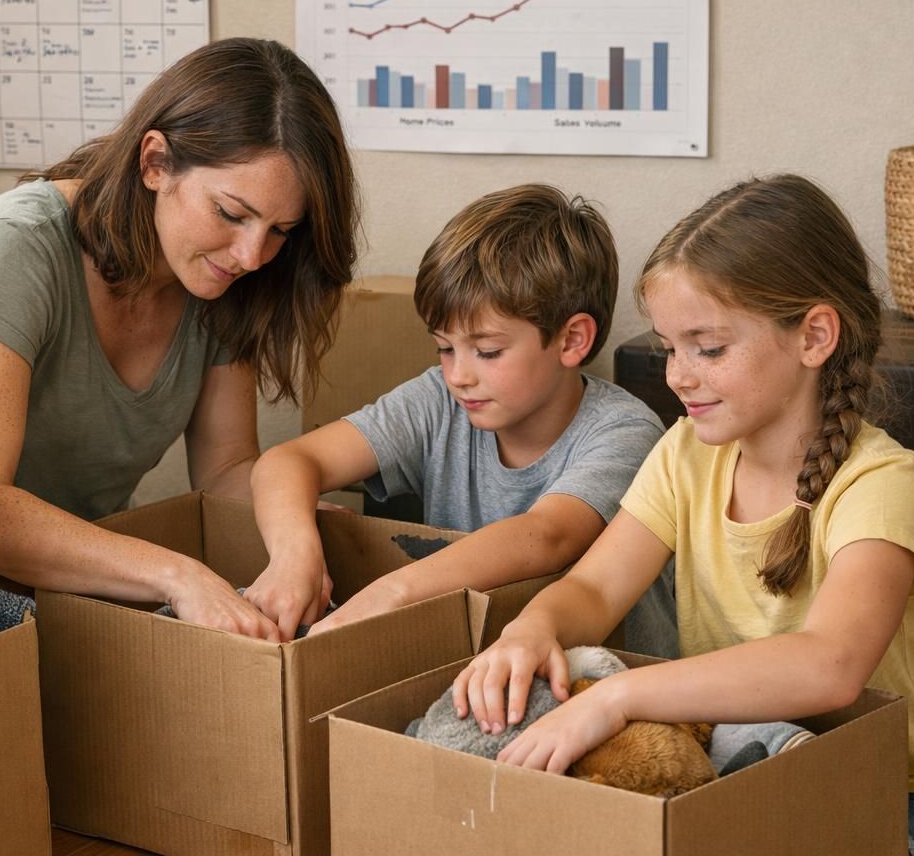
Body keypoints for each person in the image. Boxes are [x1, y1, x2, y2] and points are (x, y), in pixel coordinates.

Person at [0, 37, 360, 640]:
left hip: (45, 584)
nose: (253, 255)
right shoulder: (17, 246)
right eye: (230, 214)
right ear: (154, 162)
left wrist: (294, 536)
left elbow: (226, 469)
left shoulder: (225, 279)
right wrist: (177, 574)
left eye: (281, 230)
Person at [451, 175, 914, 853]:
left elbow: (828, 665)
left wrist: (616, 697)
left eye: (707, 349)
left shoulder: (885, 484)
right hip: (741, 765)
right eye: (670, 346)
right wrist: (530, 632)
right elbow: (594, 588)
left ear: (814, 335)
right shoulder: (686, 453)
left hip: (893, 792)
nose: (678, 374)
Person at [247, 184, 675, 649]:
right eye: (444, 348)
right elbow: (287, 461)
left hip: (609, 676)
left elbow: (549, 535)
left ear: (572, 340)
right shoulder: (439, 399)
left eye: (487, 352)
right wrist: (294, 557)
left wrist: (392, 593)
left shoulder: (625, 430)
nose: (458, 375)